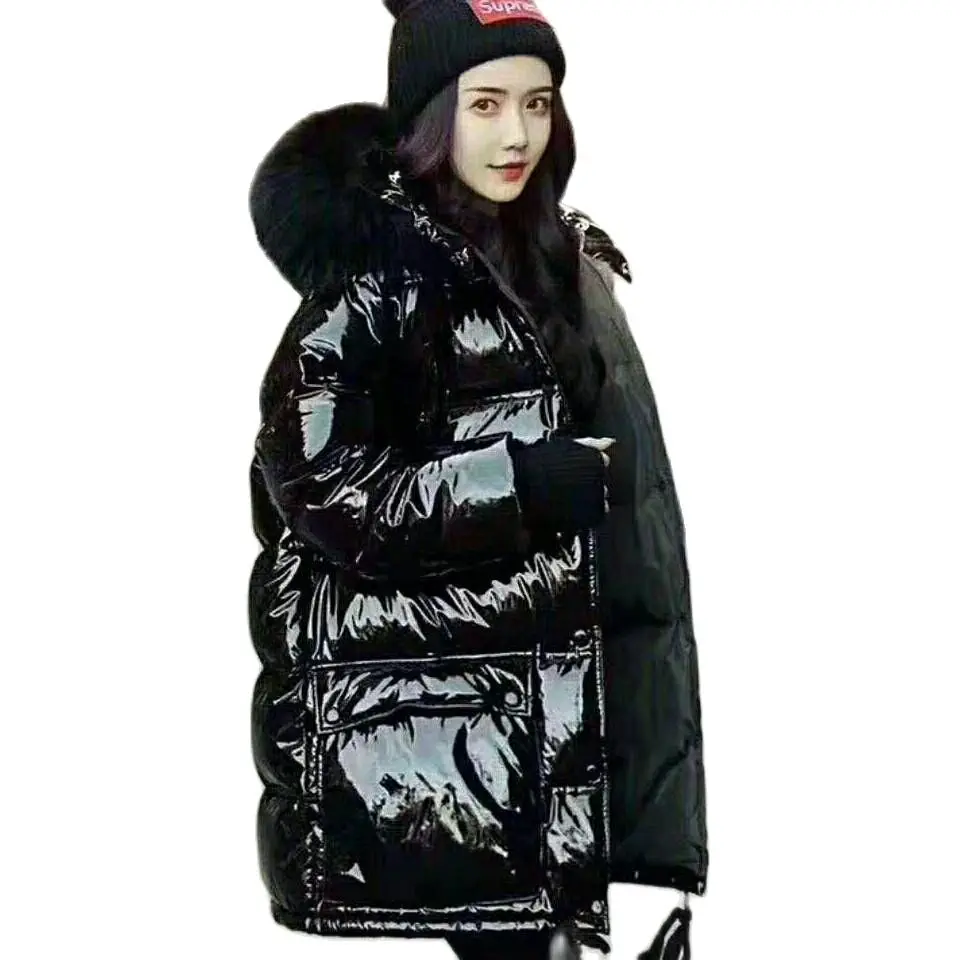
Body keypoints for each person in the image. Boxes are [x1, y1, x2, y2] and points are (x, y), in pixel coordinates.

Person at [247, 2, 708, 957]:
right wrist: (516, 487)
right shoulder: (377, 278)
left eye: (537, 103)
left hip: (534, 721)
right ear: (429, 117)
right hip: (436, 741)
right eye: (486, 104)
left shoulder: (553, 261)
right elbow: (318, 482)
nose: (517, 135)